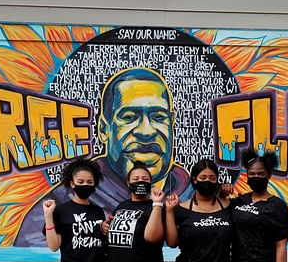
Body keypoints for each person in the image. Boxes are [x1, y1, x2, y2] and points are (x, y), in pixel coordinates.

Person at [52, 68, 192, 213]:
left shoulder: (192, 195)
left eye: (158, 117)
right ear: (103, 130)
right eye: (129, 117)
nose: (146, 132)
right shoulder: (61, 203)